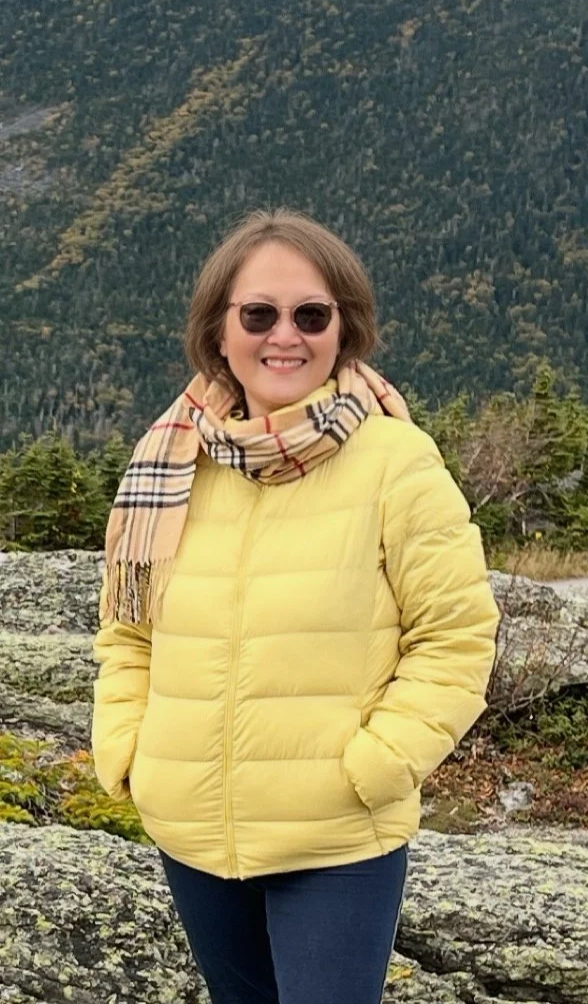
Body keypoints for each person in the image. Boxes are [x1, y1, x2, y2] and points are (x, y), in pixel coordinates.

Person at [91, 207, 501, 1004]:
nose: (286, 335)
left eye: (312, 315)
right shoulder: (173, 462)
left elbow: (455, 636)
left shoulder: (396, 461)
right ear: (219, 332)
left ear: (343, 330)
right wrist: (132, 750)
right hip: (191, 831)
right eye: (259, 314)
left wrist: (375, 766)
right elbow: (128, 630)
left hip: (335, 840)